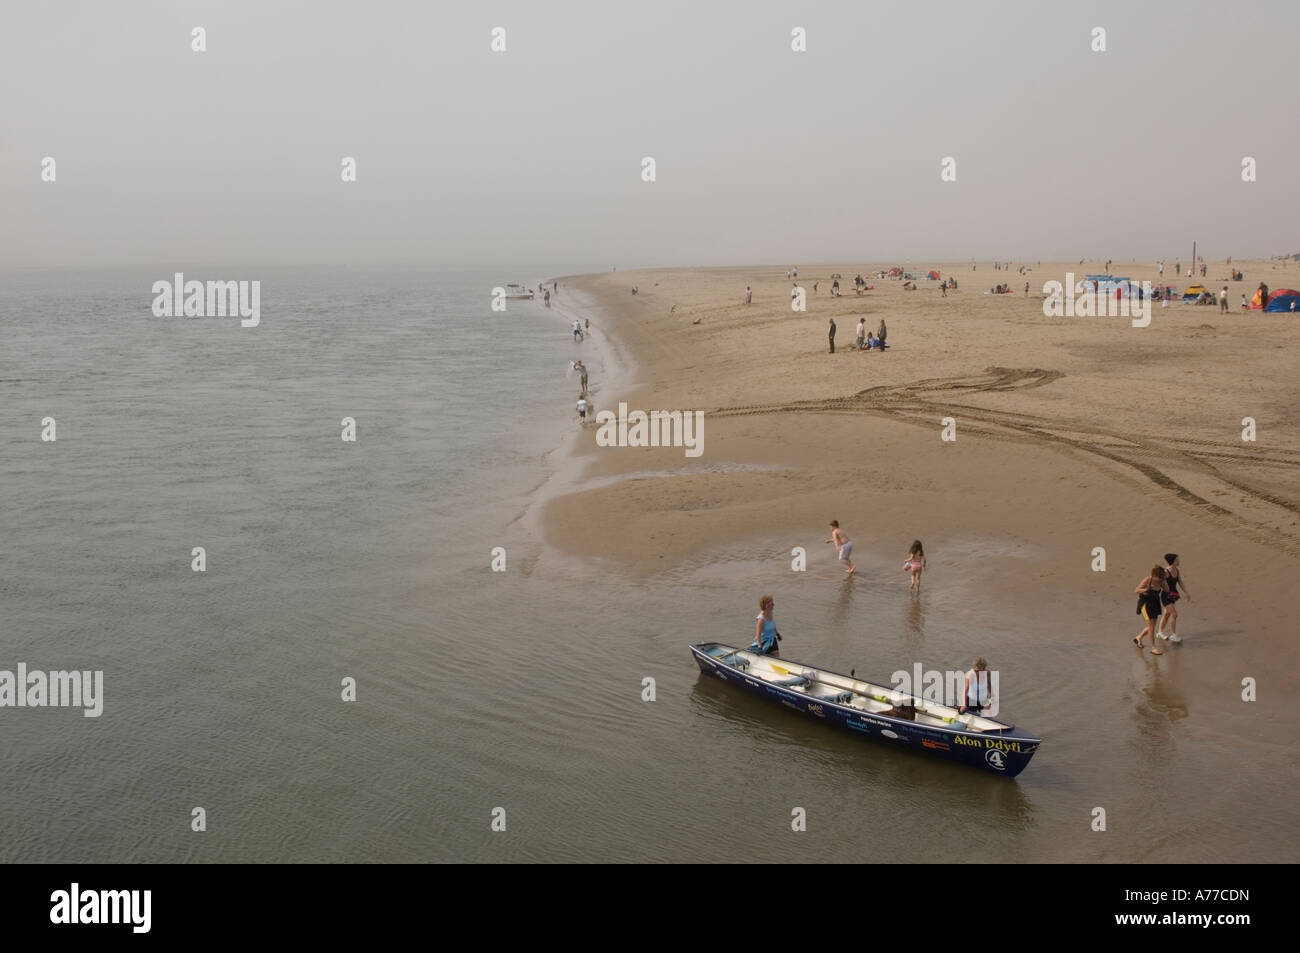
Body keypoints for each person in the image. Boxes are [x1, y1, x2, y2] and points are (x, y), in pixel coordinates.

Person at [1134, 565, 1168, 654]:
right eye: (1159, 577)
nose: (1160, 579)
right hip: (1145, 604)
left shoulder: (1161, 581)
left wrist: (1164, 582)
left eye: (1162, 577)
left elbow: (1167, 590)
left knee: (1151, 626)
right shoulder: (1148, 580)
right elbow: (1137, 590)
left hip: (1155, 603)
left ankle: (1139, 637)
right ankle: (1153, 648)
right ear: (1154, 575)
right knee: (1152, 627)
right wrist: (1146, 589)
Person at [1156, 553, 1189, 643]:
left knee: (1166, 615)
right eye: (1177, 560)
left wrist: (1186, 592)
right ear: (1173, 561)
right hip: (1166, 596)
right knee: (1174, 614)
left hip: (1173, 595)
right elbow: (1159, 583)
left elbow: (1180, 582)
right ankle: (1173, 634)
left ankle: (1159, 632)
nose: (1179, 561)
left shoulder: (1177, 571)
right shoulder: (1166, 572)